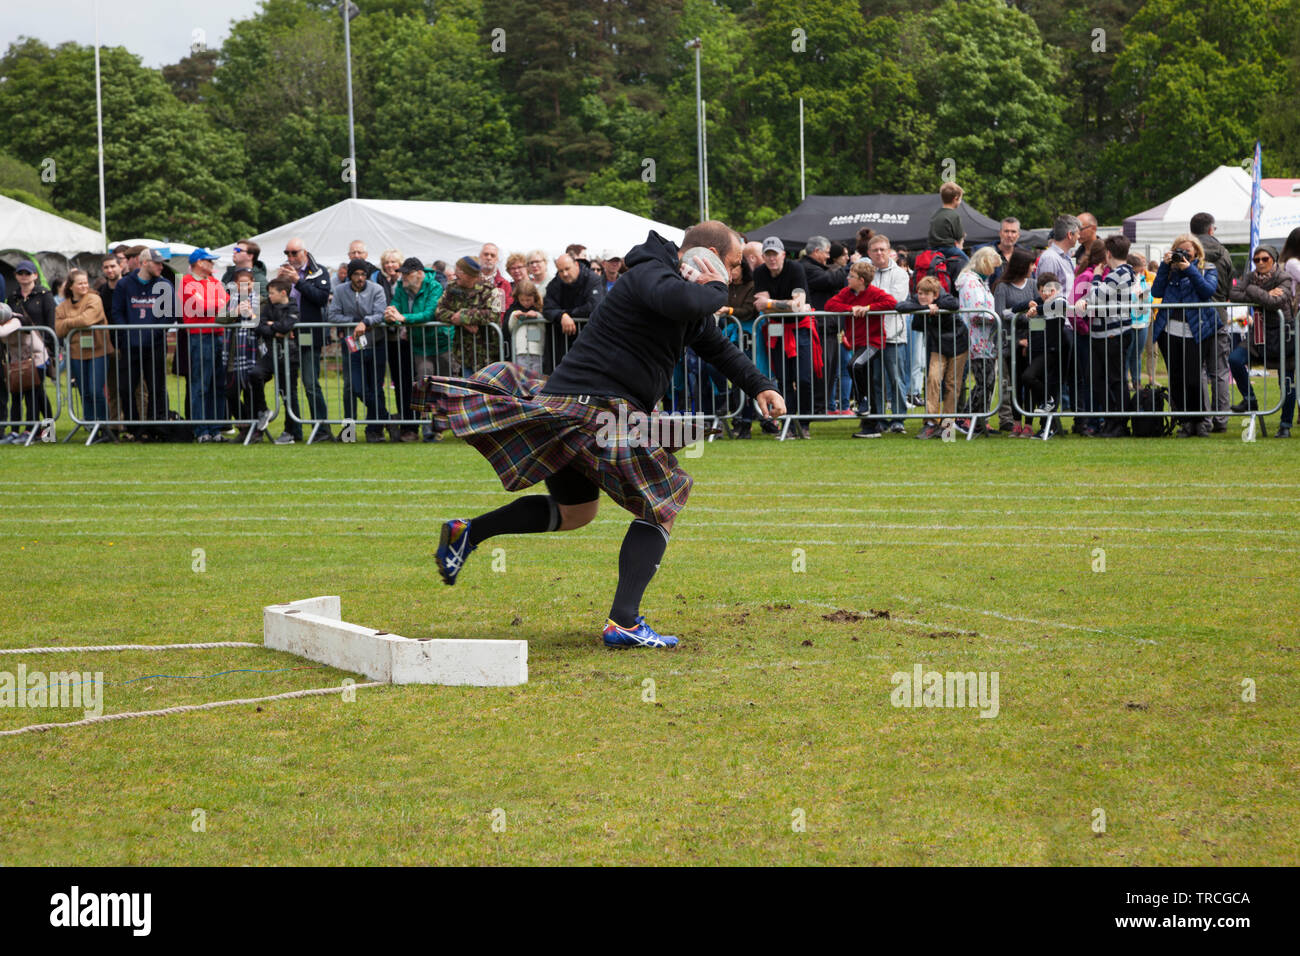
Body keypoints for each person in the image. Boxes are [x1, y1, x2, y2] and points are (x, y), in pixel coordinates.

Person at [414, 221, 785, 650]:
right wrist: (717, 285)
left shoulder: (681, 293)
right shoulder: (653, 274)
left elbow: (718, 347)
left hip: (585, 406)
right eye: (734, 264)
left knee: (576, 513)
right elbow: (684, 298)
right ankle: (624, 622)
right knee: (662, 500)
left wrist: (761, 385)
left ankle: (468, 533)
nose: (735, 274)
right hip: (598, 406)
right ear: (708, 256)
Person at [1151, 234, 1219, 436]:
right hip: (1169, 329)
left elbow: (1207, 291)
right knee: (1177, 378)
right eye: (1179, 251)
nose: (1183, 255)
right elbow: (1156, 292)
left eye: (1187, 251)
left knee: (1193, 378)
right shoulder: (1169, 270)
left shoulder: (1207, 268)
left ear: (1196, 252)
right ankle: (1184, 421)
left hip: (1196, 329)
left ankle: (1200, 421)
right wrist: (1165, 267)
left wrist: (1189, 269)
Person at [824, 260, 898, 438]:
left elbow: (891, 302)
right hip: (857, 342)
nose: (848, 278)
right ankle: (870, 425)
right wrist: (851, 308)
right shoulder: (846, 292)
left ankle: (861, 401)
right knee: (865, 376)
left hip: (873, 342)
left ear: (862, 280)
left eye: (852, 276)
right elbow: (830, 305)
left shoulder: (875, 293)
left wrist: (868, 308)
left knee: (854, 365)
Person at [1228, 242, 1294, 437]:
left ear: (1273, 259)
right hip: (1258, 335)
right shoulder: (1250, 277)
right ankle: (1250, 399)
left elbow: (1275, 302)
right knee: (1235, 359)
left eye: (1265, 259)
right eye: (1257, 259)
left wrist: (1252, 292)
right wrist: (1261, 294)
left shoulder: (1284, 277)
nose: (1260, 263)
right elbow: (1233, 293)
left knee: (1287, 381)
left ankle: (1285, 425)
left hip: (1284, 334)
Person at [752, 236, 816, 437]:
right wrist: (787, 305)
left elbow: (799, 305)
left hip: (800, 328)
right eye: (768, 255)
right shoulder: (760, 272)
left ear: (783, 255)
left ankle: (803, 423)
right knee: (783, 379)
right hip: (776, 331)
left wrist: (771, 304)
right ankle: (788, 422)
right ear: (763, 257)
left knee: (804, 378)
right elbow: (761, 306)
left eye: (775, 255)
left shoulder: (795, 269)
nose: (772, 259)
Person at [112, 249, 173, 442]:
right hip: (130, 345)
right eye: (157, 263)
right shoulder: (124, 284)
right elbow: (117, 312)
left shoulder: (164, 284)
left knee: (157, 387)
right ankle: (134, 428)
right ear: (144, 262)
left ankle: (157, 427)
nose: (161, 267)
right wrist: (128, 332)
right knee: (126, 387)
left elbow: (169, 315)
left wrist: (154, 332)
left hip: (154, 345)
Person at [277, 238, 334, 442]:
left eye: (294, 253)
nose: (291, 257)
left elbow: (321, 298)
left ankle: (322, 429)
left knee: (310, 383)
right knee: (287, 384)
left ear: (305, 252)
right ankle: (293, 430)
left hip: (310, 334)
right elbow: (274, 299)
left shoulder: (319, 271)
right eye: (287, 253)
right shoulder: (283, 271)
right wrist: (279, 284)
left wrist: (298, 281)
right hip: (286, 335)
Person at [329, 258, 391, 442]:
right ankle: (352, 430)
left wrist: (366, 322)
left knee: (375, 387)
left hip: (376, 343)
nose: (360, 278)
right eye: (356, 274)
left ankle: (375, 429)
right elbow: (333, 315)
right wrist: (355, 323)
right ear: (350, 276)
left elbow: (381, 313)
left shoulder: (376, 289)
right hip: (352, 344)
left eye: (363, 274)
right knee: (353, 387)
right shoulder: (340, 291)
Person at [1086, 235, 1137, 436]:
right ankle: (1112, 421)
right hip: (1106, 333)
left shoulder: (1119, 273)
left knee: (1115, 380)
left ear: (1108, 253)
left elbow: (1094, 298)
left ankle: (1119, 423)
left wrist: (1097, 277)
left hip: (1113, 333)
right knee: (1101, 379)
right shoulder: (1123, 272)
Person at [55, 269, 114, 442]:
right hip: (75, 353)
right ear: (71, 286)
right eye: (80, 283)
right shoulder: (62, 306)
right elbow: (58, 329)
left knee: (95, 389)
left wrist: (69, 324)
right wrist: (76, 322)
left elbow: (88, 320)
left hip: (98, 350)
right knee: (85, 392)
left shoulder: (94, 299)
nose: (84, 286)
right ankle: (90, 426)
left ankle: (104, 427)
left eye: (86, 282)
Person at [900, 276, 963, 439]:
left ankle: (947, 427)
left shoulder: (945, 297)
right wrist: (926, 306)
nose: (921, 296)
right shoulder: (918, 300)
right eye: (920, 293)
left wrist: (937, 305)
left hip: (958, 344)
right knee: (933, 380)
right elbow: (900, 306)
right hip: (938, 346)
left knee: (952, 384)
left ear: (935, 294)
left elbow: (954, 304)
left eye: (926, 294)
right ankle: (931, 423)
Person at [181, 248, 231, 442]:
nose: (212, 264)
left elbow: (227, 304)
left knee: (217, 384)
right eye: (209, 261)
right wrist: (215, 302)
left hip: (217, 335)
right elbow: (200, 307)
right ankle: (202, 430)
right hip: (199, 336)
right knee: (201, 384)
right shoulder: (186, 282)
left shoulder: (214, 282)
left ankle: (215, 429)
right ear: (200, 263)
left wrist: (213, 303)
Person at [1191, 212, 1235, 432]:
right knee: (1219, 370)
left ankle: (1204, 419)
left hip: (1194, 317)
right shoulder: (1224, 253)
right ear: (1210, 229)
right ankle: (1221, 419)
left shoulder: (1188, 253)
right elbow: (1228, 288)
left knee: (1198, 370)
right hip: (1218, 315)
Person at [5, 260, 57, 436]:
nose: (24, 276)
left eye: (28, 273)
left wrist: (50, 348)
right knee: (26, 393)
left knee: (36, 393)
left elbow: (50, 322)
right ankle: (30, 430)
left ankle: (39, 431)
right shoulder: (13, 297)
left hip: (39, 351)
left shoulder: (44, 295)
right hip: (18, 352)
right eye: (21, 273)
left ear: (35, 275)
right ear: (16, 276)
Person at [224, 267, 275, 442]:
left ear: (253, 283)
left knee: (251, 391)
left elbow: (265, 322)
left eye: (248, 283)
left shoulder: (262, 301)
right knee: (230, 391)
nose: (245, 287)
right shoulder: (231, 301)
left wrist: (252, 315)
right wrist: (235, 312)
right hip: (233, 354)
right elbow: (219, 319)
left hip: (255, 353)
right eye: (241, 284)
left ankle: (255, 431)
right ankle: (245, 426)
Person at [867, 235, 910, 433]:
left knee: (896, 378)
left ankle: (898, 418)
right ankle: (879, 418)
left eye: (882, 249)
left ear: (889, 250)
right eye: (875, 250)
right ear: (869, 253)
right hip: (872, 335)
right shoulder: (866, 273)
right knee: (876, 379)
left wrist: (869, 303)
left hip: (894, 334)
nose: (879, 253)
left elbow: (894, 301)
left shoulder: (901, 274)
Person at [992, 247, 1036, 435]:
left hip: (1031, 342)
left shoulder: (1033, 284)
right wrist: (1024, 317)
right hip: (1011, 343)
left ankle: (1030, 422)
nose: (1033, 268)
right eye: (1030, 264)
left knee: (1030, 382)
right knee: (1015, 383)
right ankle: (1014, 421)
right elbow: (1000, 314)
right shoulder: (1002, 287)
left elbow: (1037, 310)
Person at [437, 256, 499, 376]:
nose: (455, 274)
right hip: (464, 353)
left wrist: (465, 316)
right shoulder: (452, 287)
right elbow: (439, 311)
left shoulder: (490, 289)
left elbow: (494, 314)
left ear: (470, 275)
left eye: (459, 271)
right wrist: (461, 321)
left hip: (487, 353)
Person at [542, 253, 603, 373]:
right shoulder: (554, 284)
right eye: (560, 271)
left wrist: (567, 314)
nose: (564, 274)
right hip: (561, 345)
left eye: (567, 269)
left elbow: (594, 307)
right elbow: (547, 308)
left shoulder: (593, 279)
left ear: (576, 265)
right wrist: (562, 316)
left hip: (590, 341)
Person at [261, 275, 302, 444]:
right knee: (254, 375)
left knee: (288, 394)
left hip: (289, 356)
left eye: (272, 293)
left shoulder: (293, 307)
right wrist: (275, 329)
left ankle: (291, 431)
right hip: (271, 355)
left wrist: (272, 325)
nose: (269, 296)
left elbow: (287, 326)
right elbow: (259, 325)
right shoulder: (267, 307)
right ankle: (262, 411)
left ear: (283, 292)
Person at [505, 279, 546, 377]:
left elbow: (545, 327)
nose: (525, 303)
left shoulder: (540, 308)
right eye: (522, 300)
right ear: (517, 298)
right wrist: (515, 316)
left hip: (537, 351)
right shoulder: (513, 308)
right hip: (520, 352)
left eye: (528, 300)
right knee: (522, 378)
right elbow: (510, 328)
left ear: (534, 297)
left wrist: (537, 315)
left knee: (537, 378)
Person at [928, 182, 968, 268]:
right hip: (948, 248)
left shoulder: (935, 214)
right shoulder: (954, 215)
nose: (960, 202)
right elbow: (959, 236)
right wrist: (961, 242)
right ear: (956, 198)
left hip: (932, 249)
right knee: (968, 263)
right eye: (960, 199)